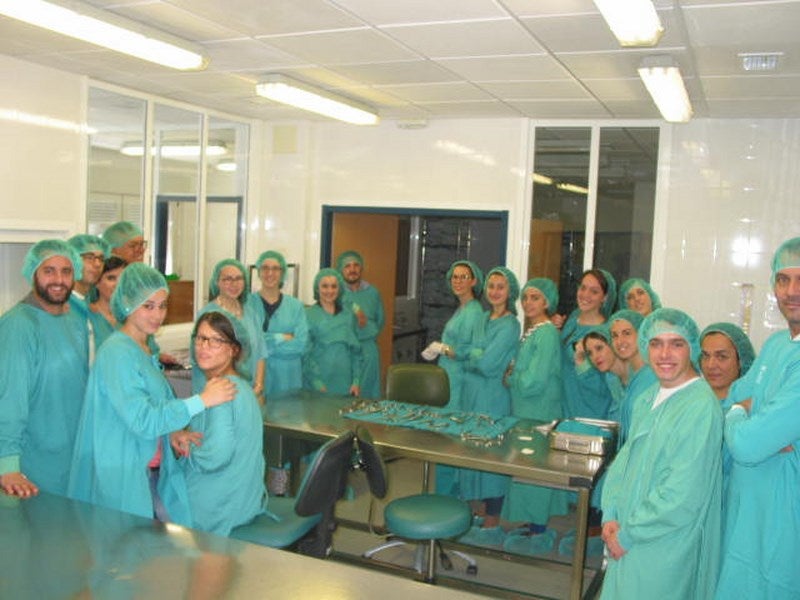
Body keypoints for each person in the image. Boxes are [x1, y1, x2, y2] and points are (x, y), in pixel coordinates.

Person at [68, 263, 236, 524]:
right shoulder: (117, 353)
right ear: (127, 303)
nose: (158, 315)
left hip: (149, 467)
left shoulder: (144, 349)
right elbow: (142, 419)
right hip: (125, 471)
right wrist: (201, 400)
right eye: (148, 306)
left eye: (162, 305)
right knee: (126, 544)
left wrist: (172, 433)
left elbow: (153, 405)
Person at [600, 308, 722, 600]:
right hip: (624, 532)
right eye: (656, 343)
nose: (664, 354)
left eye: (676, 344)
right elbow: (624, 462)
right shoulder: (648, 397)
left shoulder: (700, 407)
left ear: (691, 348)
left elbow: (682, 493)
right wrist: (611, 514)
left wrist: (629, 534)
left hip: (663, 544)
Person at [715, 237, 800, 600]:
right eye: (783, 279)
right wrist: (750, 416)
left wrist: (742, 415)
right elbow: (733, 396)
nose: (791, 291)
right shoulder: (778, 345)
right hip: (747, 512)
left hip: (784, 517)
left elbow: (748, 445)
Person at [0, 239, 89, 498]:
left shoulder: (74, 320)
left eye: (66, 271)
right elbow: (9, 398)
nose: (58, 280)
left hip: (73, 456)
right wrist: (8, 465)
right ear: (33, 274)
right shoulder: (19, 326)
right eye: (49, 271)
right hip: (33, 466)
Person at [181, 310, 267, 535]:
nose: (204, 347)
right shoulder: (241, 385)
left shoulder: (221, 391)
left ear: (233, 349)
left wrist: (184, 447)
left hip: (219, 508)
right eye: (201, 338)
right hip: (245, 500)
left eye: (216, 341)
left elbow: (214, 458)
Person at [502, 277, 569, 556]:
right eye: (526, 297)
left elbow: (534, 381)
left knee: (535, 469)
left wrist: (511, 378)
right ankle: (533, 524)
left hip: (539, 411)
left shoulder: (546, 333)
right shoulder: (534, 331)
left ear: (547, 302)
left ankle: (539, 530)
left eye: (536, 298)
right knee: (527, 468)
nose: (529, 303)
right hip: (526, 410)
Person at [457, 267, 520, 548]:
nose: (494, 291)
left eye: (501, 287)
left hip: (493, 397)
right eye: (491, 286)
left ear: (510, 292)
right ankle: (479, 512)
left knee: (492, 456)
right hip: (471, 395)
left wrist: (475, 355)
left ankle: (493, 520)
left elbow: (487, 363)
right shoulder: (482, 318)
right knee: (472, 451)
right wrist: (474, 354)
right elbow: (465, 352)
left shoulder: (510, 325)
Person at [420, 260, 484, 496]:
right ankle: (445, 494)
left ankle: (448, 496)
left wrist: (444, 349)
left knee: (450, 438)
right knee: (446, 436)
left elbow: (472, 351)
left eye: (463, 277)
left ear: (474, 281)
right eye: (454, 277)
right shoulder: (462, 309)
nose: (458, 281)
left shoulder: (475, 312)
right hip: (450, 378)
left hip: (459, 381)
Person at [195, 259, 265, 402]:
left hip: (250, 390)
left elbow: (261, 352)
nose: (234, 284)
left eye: (238, 278)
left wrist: (258, 386)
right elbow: (204, 358)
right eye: (227, 279)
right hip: (220, 392)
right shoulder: (208, 315)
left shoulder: (251, 314)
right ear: (217, 282)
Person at [560, 269, 617, 420]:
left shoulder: (605, 333)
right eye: (583, 288)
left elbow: (607, 385)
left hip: (591, 411)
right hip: (567, 406)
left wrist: (582, 363)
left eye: (594, 291)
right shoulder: (573, 319)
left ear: (605, 297)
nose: (585, 295)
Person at [248, 250, 307, 395]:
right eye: (265, 268)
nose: (270, 273)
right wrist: (281, 337)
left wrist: (263, 344)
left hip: (288, 376)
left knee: (288, 408)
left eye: (275, 268)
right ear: (259, 272)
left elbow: (301, 345)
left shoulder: (296, 306)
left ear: (282, 273)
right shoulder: (247, 304)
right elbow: (247, 341)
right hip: (256, 375)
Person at [304, 268, 362, 396]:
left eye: (334, 286)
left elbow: (356, 351)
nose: (329, 291)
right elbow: (305, 354)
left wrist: (356, 380)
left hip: (345, 382)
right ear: (317, 288)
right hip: (318, 381)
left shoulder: (348, 315)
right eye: (325, 286)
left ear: (339, 289)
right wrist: (316, 381)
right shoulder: (308, 315)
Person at [336, 250, 385, 399]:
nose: (352, 269)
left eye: (356, 265)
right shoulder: (336, 293)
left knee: (369, 395)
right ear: (341, 270)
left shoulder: (373, 293)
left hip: (368, 349)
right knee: (344, 397)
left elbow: (380, 320)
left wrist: (367, 332)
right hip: (345, 350)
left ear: (361, 268)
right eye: (347, 266)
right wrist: (353, 307)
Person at [607, 309, 658, 444]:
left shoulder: (651, 377)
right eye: (614, 336)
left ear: (642, 334)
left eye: (627, 333)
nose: (620, 341)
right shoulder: (634, 376)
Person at [67, 234, 110, 363]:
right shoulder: (63, 306)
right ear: (71, 260)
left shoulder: (88, 306)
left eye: (101, 259)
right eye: (89, 257)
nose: (97, 264)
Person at [699, 322, 755, 404]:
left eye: (722, 357)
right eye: (706, 356)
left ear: (740, 361)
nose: (710, 365)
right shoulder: (690, 402)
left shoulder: (754, 406)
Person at [88, 256, 127, 349]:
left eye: (123, 279)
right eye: (111, 278)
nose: (118, 284)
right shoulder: (86, 315)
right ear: (97, 282)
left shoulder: (131, 316)